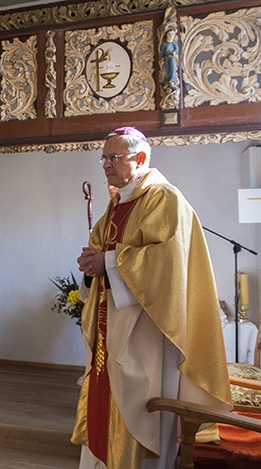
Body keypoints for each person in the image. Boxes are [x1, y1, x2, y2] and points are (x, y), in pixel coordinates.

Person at [72, 126, 232, 468]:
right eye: (104, 158)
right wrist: (91, 265)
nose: (105, 166)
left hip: (147, 330)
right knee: (105, 397)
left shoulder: (164, 198)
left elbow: (168, 262)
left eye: (114, 157)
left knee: (140, 402)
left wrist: (109, 263)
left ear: (141, 158)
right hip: (111, 326)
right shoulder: (118, 202)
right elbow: (100, 250)